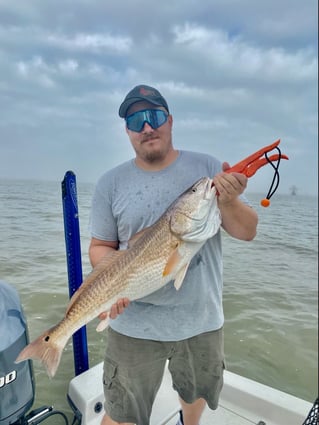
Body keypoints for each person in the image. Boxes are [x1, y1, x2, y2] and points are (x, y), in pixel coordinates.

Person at [89, 84, 258, 425]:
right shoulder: (110, 183)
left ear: (169, 121)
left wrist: (228, 200)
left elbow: (247, 231)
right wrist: (113, 286)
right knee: (122, 412)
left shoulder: (207, 168)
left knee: (195, 392)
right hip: (133, 325)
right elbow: (100, 246)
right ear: (127, 131)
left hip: (200, 319)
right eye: (136, 120)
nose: (147, 127)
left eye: (154, 116)